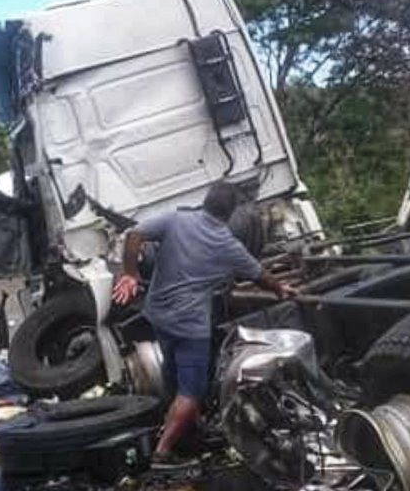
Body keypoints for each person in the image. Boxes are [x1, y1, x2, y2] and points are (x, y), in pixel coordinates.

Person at [112, 182, 295, 468]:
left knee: (173, 375)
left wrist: (131, 273)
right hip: (189, 327)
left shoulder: (176, 219)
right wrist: (280, 289)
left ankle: (186, 428)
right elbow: (259, 274)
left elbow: (134, 234)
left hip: (160, 316)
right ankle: (163, 451)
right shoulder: (228, 245)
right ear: (230, 212)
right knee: (192, 392)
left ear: (206, 201)